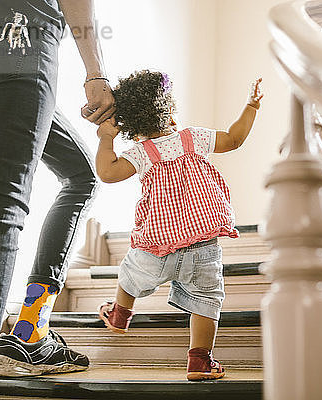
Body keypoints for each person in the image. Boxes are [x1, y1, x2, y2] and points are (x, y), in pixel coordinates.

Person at [0, 0, 113, 397]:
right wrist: (96, 72)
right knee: (4, 194)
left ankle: (32, 329)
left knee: (81, 174)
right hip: (20, 22)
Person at [94, 70, 262, 381]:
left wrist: (106, 138)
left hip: (156, 246)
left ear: (131, 127)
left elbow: (107, 172)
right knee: (207, 300)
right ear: (170, 112)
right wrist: (250, 107)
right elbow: (234, 138)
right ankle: (199, 360)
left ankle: (120, 313)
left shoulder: (140, 153)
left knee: (130, 270)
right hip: (202, 246)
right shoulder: (194, 138)